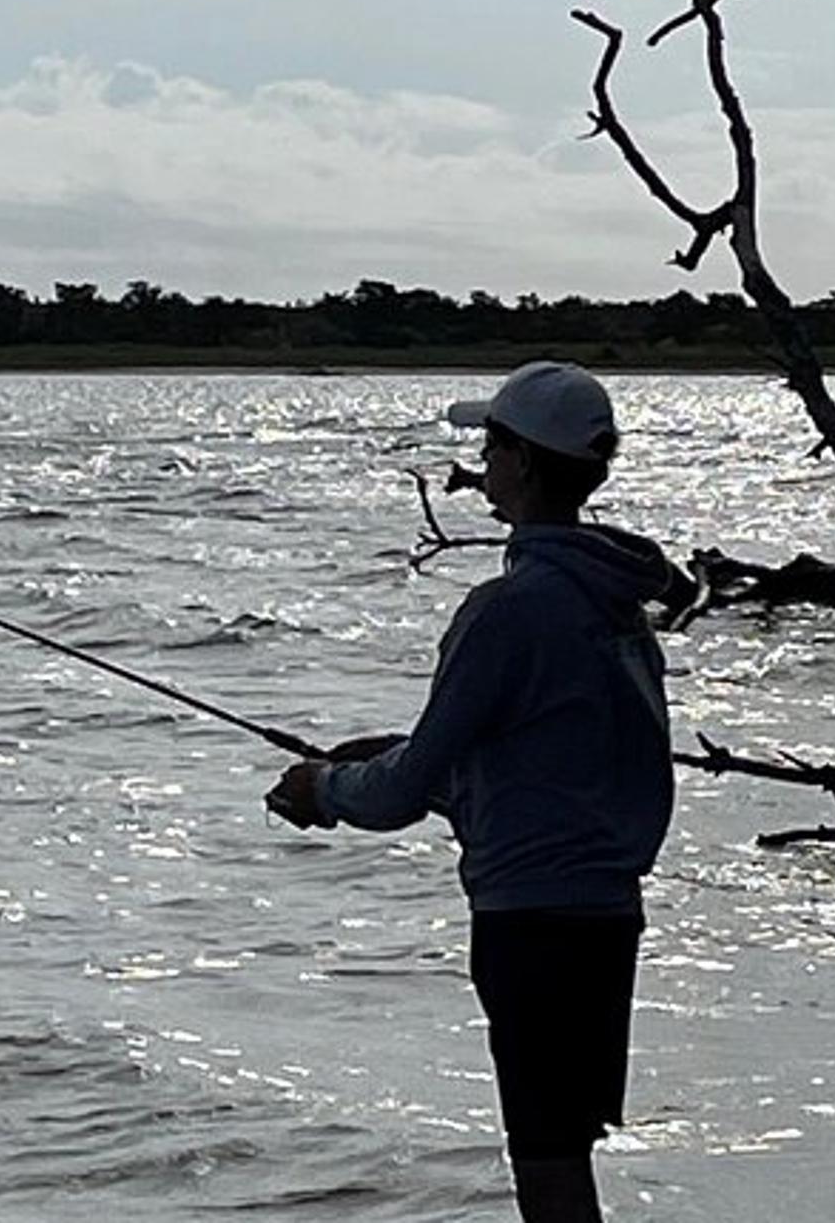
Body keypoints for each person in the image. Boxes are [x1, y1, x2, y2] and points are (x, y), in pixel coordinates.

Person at [268, 361, 688, 1222]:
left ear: (527, 463)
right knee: (565, 1146)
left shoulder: (508, 609)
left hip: (531, 924)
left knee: (546, 1160)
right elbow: (554, 761)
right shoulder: (613, 606)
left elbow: (401, 793)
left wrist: (328, 786)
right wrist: (387, 757)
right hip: (608, 916)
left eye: (493, 444)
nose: (482, 463)